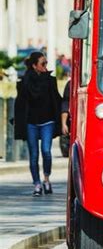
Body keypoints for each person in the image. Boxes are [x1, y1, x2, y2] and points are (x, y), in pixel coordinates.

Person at [13, 52, 62, 196]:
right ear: (34, 66)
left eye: (46, 63)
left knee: (46, 151)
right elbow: (20, 104)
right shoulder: (24, 82)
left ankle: (46, 179)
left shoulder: (50, 80)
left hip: (48, 121)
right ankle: (37, 184)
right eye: (43, 63)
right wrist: (17, 120)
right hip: (31, 123)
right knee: (33, 155)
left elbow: (56, 100)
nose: (46, 66)